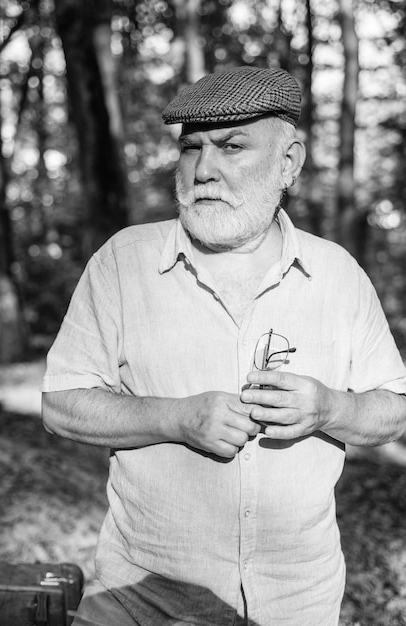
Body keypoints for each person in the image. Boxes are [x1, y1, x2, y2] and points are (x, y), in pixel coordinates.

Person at [42, 66, 406, 626]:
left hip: (298, 604)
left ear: (289, 162)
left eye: (231, 146)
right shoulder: (124, 262)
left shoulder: (338, 274)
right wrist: (176, 418)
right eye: (191, 149)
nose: (204, 169)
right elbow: (61, 403)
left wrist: (334, 408)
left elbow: (394, 407)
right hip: (143, 602)